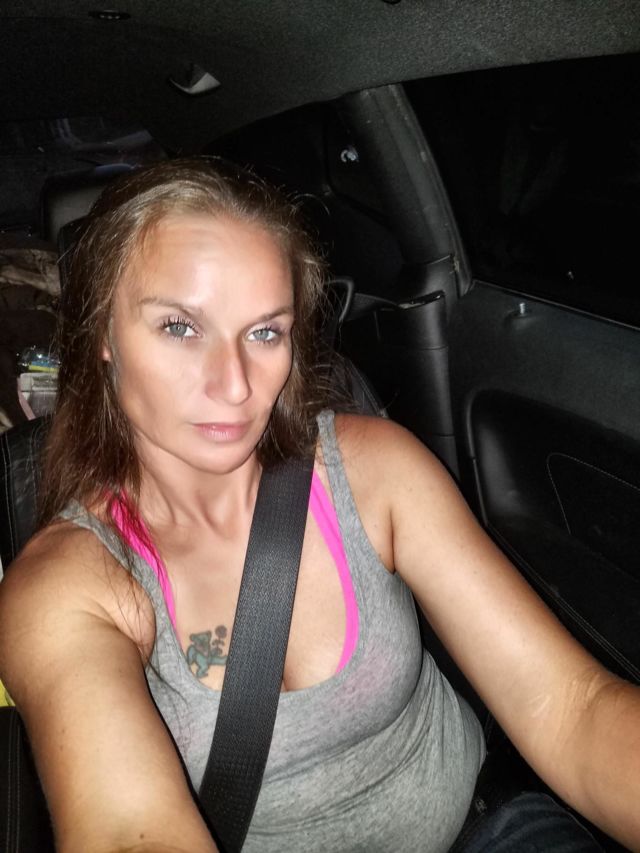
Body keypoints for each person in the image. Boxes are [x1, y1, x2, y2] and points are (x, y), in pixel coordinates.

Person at [0, 158, 638, 853]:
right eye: (180, 327)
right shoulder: (67, 587)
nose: (235, 384)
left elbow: (571, 709)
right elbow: (128, 832)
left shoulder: (372, 473)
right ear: (102, 332)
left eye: (264, 332)